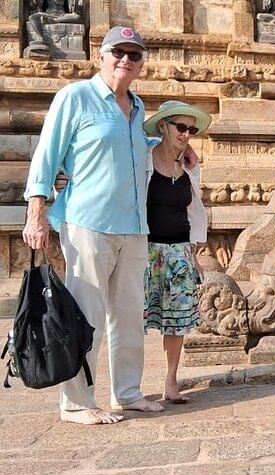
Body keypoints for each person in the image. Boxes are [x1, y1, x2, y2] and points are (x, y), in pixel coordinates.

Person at [23, 26, 166, 424]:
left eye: (134, 55)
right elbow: (47, 155)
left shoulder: (137, 107)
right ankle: (76, 402)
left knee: (129, 315)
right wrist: (36, 212)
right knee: (87, 316)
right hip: (89, 222)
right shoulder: (76, 97)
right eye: (118, 52)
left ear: (141, 64)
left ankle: (128, 393)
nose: (126, 60)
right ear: (101, 56)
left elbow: (129, 152)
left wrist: (171, 150)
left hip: (134, 226)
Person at [141, 101, 210, 403]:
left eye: (191, 129)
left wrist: (193, 254)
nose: (186, 134)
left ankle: (171, 381)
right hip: (147, 251)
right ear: (163, 126)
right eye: (180, 127)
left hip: (180, 252)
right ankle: (128, 385)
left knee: (178, 321)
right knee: (137, 317)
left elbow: (193, 212)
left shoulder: (189, 168)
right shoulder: (143, 159)